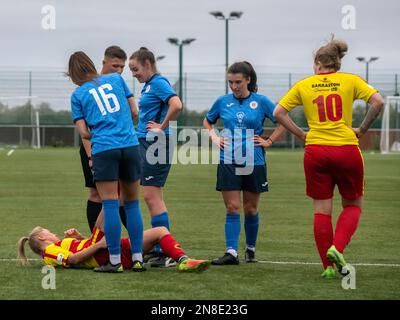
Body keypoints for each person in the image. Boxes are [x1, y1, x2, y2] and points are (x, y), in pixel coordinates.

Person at [273, 37, 385, 279]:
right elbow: (378, 101)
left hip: (316, 151)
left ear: (317, 64)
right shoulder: (351, 80)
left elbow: (278, 112)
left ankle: (328, 268)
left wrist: (302, 134)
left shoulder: (305, 84)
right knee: (353, 205)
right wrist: (362, 130)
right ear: (337, 63)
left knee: (321, 210)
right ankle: (338, 247)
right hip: (346, 149)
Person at [68, 51, 144, 272]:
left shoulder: (78, 95)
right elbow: (133, 111)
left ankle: (115, 261)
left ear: (72, 75)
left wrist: (100, 130)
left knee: (110, 203)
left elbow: (83, 131)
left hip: (104, 148)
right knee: (132, 204)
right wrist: (120, 126)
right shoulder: (116, 78)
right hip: (130, 145)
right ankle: (138, 259)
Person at [203, 61, 285, 265]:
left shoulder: (262, 101)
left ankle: (250, 249)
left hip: (254, 161)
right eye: (230, 82)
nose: (234, 86)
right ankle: (231, 252)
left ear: (248, 80)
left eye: (238, 82)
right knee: (232, 208)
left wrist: (269, 141)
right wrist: (214, 137)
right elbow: (208, 121)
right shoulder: (222, 101)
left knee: (250, 209)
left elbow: (283, 121)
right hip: (228, 160)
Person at [17, 211, 211, 273]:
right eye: (49, 232)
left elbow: (83, 248)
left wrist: (79, 237)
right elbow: (74, 260)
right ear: (42, 238)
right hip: (104, 256)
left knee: (160, 231)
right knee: (108, 199)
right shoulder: (49, 252)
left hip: (104, 250)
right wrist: (98, 244)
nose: (52, 233)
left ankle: (183, 260)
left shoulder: (57, 245)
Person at [128, 47, 183, 268]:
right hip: (147, 143)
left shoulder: (159, 82)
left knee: (152, 196)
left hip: (157, 144)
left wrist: (161, 127)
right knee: (151, 196)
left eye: (135, 69)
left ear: (147, 64)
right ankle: (161, 249)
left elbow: (177, 104)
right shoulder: (149, 85)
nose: (133, 73)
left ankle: (165, 251)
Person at [80, 45, 137, 232]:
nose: (120, 71)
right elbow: (86, 129)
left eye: (122, 67)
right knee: (97, 195)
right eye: (115, 66)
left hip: (119, 144)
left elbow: (133, 112)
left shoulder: (117, 83)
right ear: (103, 63)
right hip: (96, 147)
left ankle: (136, 244)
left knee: (121, 196)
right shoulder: (88, 87)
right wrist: (90, 157)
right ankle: (96, 242)